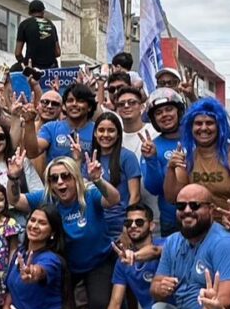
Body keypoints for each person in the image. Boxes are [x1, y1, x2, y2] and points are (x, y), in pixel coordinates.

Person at [8, 154, 119, 309]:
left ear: (75, 178)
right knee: (62, 308)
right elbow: (15, 200)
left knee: (98, 304)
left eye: (66, 176)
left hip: (98, 260)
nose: (60, 182)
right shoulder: (46, 198)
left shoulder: (90, 193)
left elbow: (113, 199)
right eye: (54, 178)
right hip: (67, 264)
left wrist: (98, 179)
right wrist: (13, 178)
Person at [91, 202, 163, 309]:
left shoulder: (169, 243)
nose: (132, 226)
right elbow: (115, 303)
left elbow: (155, 251)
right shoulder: (122, 262)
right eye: (128, 223)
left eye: (139, 222)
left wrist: (135, 256)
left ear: (151, 225)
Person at [163, 97, 230, 225]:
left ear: (220, 126)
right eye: (198, 123)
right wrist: (171, 168)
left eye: (209, 123)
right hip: (200, 229)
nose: (203, 128)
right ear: (190, 128)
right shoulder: (187, 158)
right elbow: (172, 198)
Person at [138, 88, 187, 236]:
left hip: (203, 217)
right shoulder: (151, 146)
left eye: (169, 109)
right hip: (171, 223)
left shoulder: (197, 139)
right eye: (158, 113)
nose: (165, 115)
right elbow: (154, 188)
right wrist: (151, 159)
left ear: (178, 111)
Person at [90, 109, 141, 242]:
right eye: (101, 130)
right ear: (95, 133)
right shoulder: (90, 159)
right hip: (97, 225)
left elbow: (135, 196)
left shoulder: (127, 157)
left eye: (111, 130)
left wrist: (128, 226)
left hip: (120, 223)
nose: (105, 135)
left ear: (118, 134)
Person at [24, 81, 96, 167]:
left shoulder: (97, 130)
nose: (74, 104)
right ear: (64, 106)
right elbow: (32, 153)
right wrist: (29, 122)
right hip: (57, 179)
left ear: (90, 107)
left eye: (80, 101)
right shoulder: (51, 128)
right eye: (70, 100)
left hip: (88, 180)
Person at [15, 0, 60, 69]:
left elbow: (17, 53)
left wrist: (24, 64)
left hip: (33, 69)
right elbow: (57, 52)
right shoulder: (51, 25)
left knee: (13, 70)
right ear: (43, 12)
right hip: (51, 69)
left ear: (29, 12)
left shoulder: (24, 24)